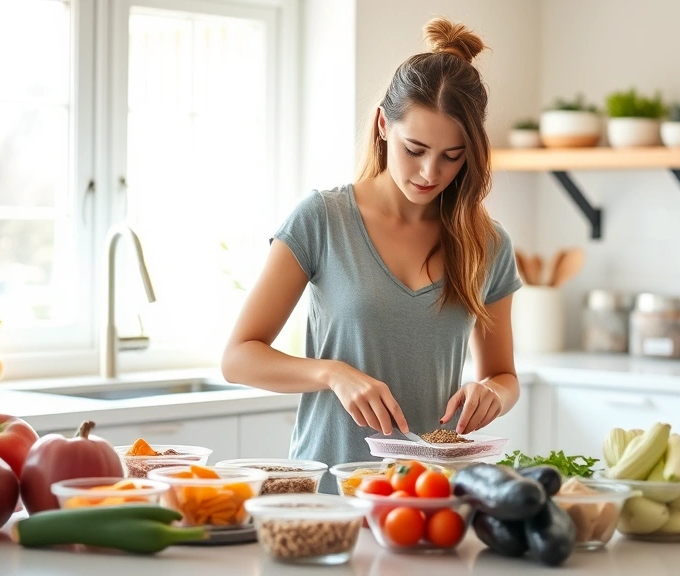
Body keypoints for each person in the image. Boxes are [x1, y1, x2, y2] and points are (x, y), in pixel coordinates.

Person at [221, 17, 522, 489]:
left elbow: (503, 375)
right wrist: (332, 373)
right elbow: (238, 358)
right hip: (326, 494)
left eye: (452, 155)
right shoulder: (322, 218)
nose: (429, 172)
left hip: (428, 495)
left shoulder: (488, 243)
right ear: (384, 125)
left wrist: (492, 395)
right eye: (415, 148)